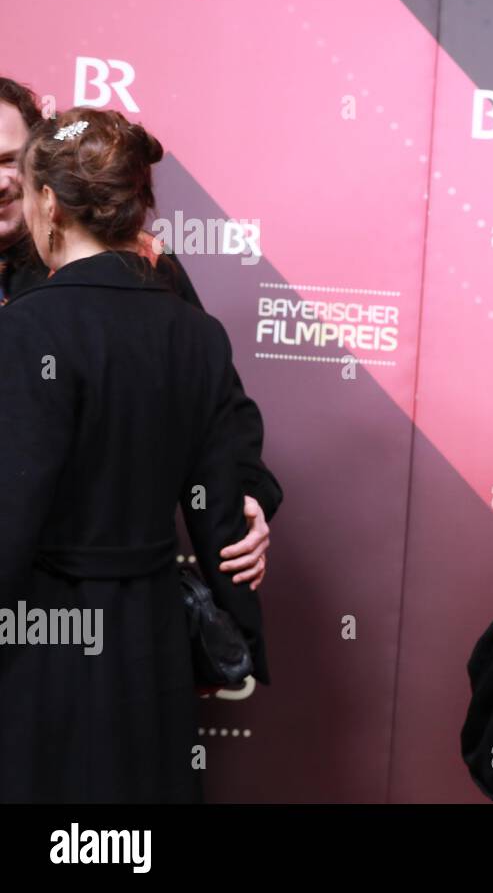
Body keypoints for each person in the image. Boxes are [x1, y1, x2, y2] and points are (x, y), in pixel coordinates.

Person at [0, 108, 269, 802]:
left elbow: (13, 512)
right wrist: (239, 617)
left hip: (40, 627)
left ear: (50, 203)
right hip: (147, 631)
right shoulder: (195, 335)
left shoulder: (25, 327)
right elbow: (216, 515)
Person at [0, 77, 277, 589]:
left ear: (42, 177)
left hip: (54, 605)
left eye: (7, 161)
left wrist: (243, 496)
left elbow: (221, 412)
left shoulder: (142, 268)